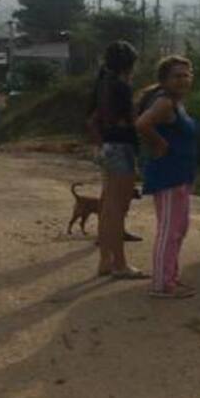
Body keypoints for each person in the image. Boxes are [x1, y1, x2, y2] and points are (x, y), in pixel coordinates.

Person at [136, 56, 198, 299]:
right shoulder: (164, 102)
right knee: (169, 231)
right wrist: (160, 144)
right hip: (168, 174)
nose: (182, 80)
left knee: (179, 228)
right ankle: (162, 284)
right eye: (176, 76)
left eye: (186, 75)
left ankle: (170, 276)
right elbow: (142, 124)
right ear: (164, 80)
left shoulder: (176, 102)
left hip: (180, 174)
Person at [87, 41, 146, 279]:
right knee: (117, 208)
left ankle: (105, 260)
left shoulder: (103, 84)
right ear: (130, 64)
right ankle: (120, 264)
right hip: (122, 147)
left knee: (108, 206)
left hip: (108, 145)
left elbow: (93, 118)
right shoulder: (121, 87)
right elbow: (132, 120)